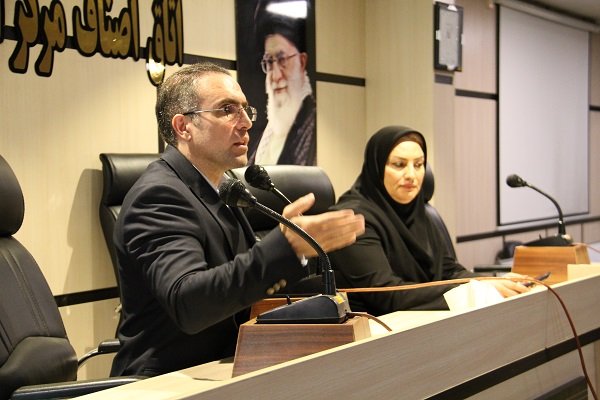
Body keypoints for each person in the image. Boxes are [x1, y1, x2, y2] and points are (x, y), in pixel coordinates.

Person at [110, 62, 364, 377]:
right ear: (183, 126)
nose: (246, 123)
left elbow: (239, 286)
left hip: (227, 370)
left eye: (245, 109)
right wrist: (285, 247)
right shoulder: (159, 196)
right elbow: (190, 302)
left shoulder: (221, 186)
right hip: (166, 382)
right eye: (227, 110)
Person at [328, 126, 529, 315]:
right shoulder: (352, 218)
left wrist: (493, 282)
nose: (411, 175)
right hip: (378, 330)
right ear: (377, 168)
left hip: (426, 323)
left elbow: (449, 271)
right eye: (399, 165)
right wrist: (473, 291)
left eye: (418, 165)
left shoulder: (422, 213)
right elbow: (386, 295)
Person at [249, 0, 316, 166]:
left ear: (302, 61)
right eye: (269, 62)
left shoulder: (312, 125)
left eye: (282, 59)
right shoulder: (268, 133)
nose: (276, 76)